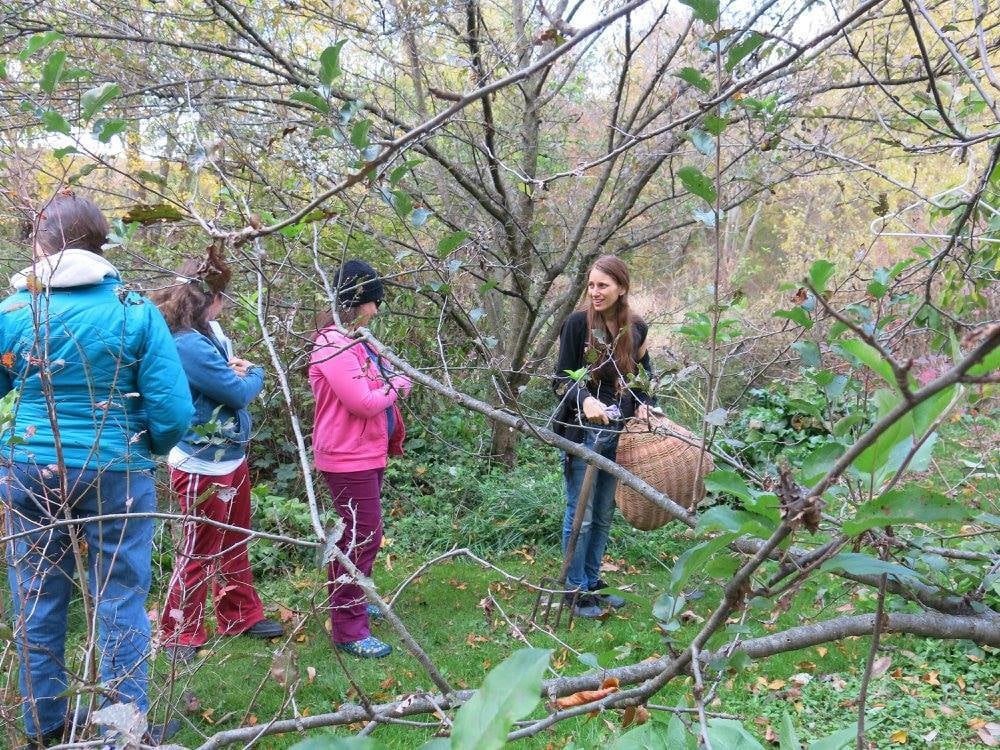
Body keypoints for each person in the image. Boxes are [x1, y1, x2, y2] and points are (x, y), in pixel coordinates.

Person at [0, 190, 194, 747]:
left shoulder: (16, 311)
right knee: (120, 597)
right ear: (102, 243)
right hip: (115, 468)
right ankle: (123, 731)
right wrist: (144, 446)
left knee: (36, 595)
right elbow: (173, 410)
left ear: (43, 243)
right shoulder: (134, 309)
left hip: (30, 466)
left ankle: (44, 726)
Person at [150, 248, 283, 664]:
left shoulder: (208, 333)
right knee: (197, 549)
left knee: (234, 541)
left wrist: (235, 370)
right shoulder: (188, 343)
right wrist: (255, 371)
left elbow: (228, 376)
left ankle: (238, 614)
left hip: (229, 456)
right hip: (200, 462)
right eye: (222, 295)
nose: (225, 303)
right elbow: (237, 390)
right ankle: (178, 633)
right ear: (208, 298)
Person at [309, 259, 410, 658]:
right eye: (373, 301)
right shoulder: (333, 344)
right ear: (358, 301)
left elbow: (378, 380)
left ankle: (356, 595)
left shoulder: (360, 340)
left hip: (368, 452)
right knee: (359, 536)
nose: (377, 310)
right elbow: (364, 400)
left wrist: (388, 383)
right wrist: (398, 387)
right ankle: (349, 628)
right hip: (345, 456)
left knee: (365, 533)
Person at [551, 255, 654, 619]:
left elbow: (644, 378)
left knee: (605, 513)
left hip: (618, 434)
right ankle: (573, 590)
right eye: (591, 285)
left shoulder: (635, 328)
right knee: (582, 513)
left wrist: (644, 404)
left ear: (621, 288)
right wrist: (587, 398)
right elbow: (560, 380)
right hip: (582, 432)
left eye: (603, 286)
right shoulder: (577, 324)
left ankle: (593, 584)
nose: (594, 292)